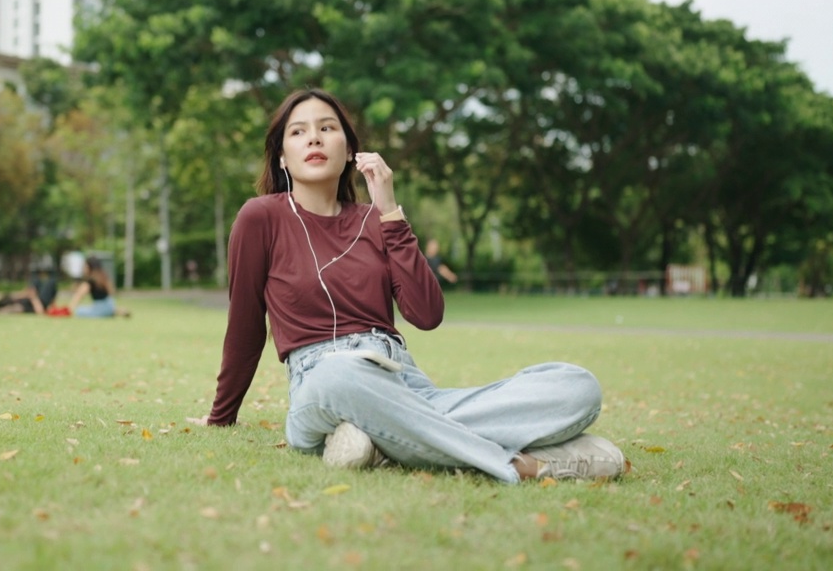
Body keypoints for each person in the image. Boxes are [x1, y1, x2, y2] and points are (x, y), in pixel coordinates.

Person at [187, 89, 627, 483]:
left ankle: (378, 443)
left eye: (327, 128)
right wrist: (221, 417)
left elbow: (426, 314)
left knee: (576, 385)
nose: (315, 139)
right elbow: (245, 325)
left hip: (403, 382)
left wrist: (390, 211)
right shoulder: (260, 217)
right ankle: (520, 465)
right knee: (341, 376)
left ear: (351, 151)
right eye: (299, 132)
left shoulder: (376, 221)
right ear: (282, 156)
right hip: (321, 381)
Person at [61, 257, 130, 318]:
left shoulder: (90, 282)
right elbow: (112, 292)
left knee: (79, 311)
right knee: (104, 309)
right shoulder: (104, 277)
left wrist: (69, 309)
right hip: (110, 305)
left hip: (100, 308)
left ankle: (109, 312)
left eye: (85, 266)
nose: (83, 269)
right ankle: (115, 311)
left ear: (89, 267)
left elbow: (79, 295)